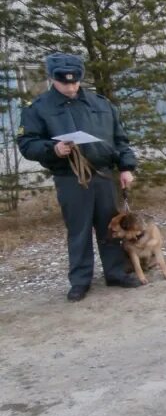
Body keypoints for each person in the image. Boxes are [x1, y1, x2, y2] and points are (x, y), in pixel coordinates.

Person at [18, 53, 141, 302]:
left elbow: (120, 139)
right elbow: (27, 143)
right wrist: (53, 149)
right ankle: (80, 281)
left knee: (110, 228)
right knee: (79, 231)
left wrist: (126, 167)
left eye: (75, 82)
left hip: (104, 175)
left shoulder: (100, 103)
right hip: (71, 178)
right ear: (53, 79)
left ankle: (115, 272)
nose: (71, 86)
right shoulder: (39, 108)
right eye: (65, 82)